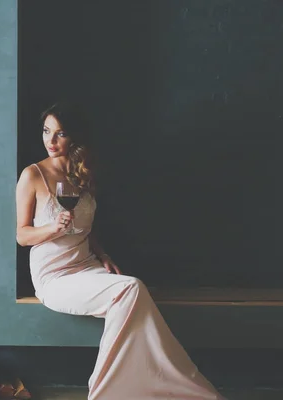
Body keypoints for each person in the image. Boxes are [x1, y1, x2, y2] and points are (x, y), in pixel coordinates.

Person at [15, 102, 226, 400]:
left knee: (133, 299)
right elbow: (22, 235)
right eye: (46, 131)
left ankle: (150, 385)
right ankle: (104, 391)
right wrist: (53, 229)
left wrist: (103, 255)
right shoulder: (33, 175)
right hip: (54, 275)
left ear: (74, 137)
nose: (50, 141)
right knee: (131, 289)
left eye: (60, 134)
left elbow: (88, 226)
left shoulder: (83, 172)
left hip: (87, 265)